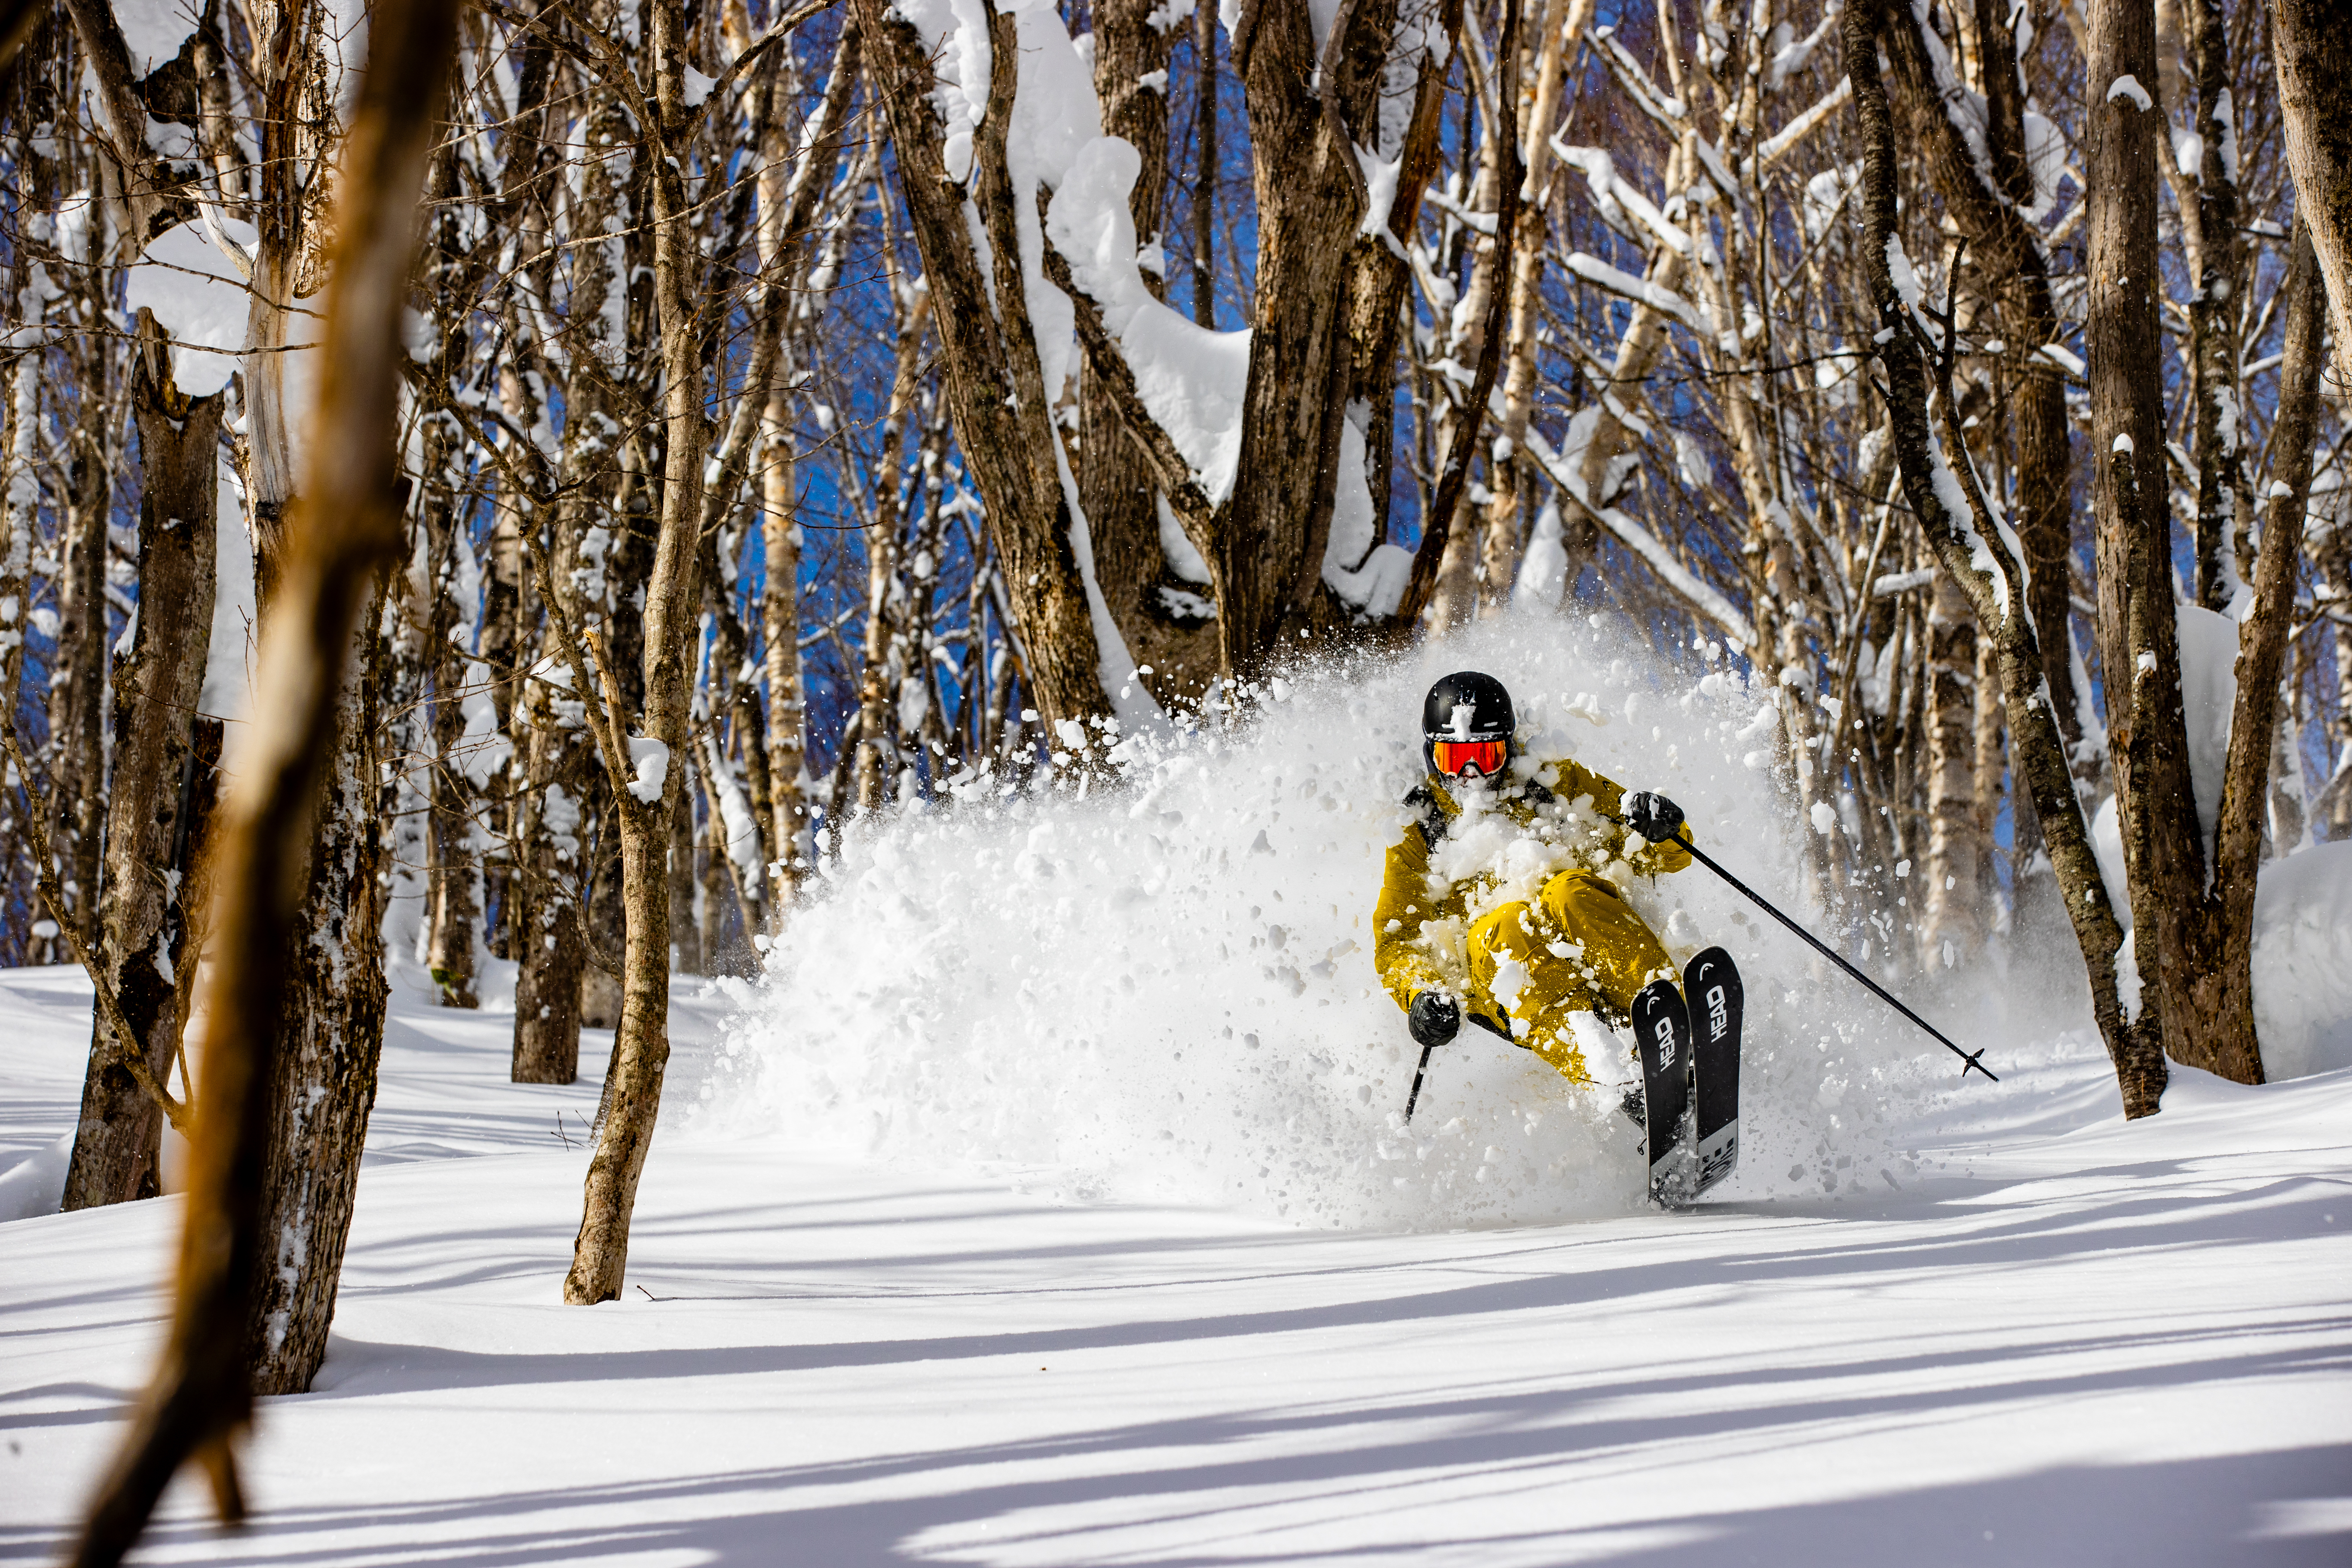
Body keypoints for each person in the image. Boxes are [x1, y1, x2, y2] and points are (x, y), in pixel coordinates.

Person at [1373, 670, 1693, 1086]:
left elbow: (1661, 858)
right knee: (1503, 928)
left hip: (1588, 934)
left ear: (1507, 749)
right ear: (1432, 755)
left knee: (1568, 892)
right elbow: (1400, 936)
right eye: (1454, 760)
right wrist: (1421, 996)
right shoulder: (1420, 827)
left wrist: (1663, 830)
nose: (1470, 774)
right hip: (1499, 969)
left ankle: (1673, 1025)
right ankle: (1615, 1077)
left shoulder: (1550, 782)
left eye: (1485, 757)